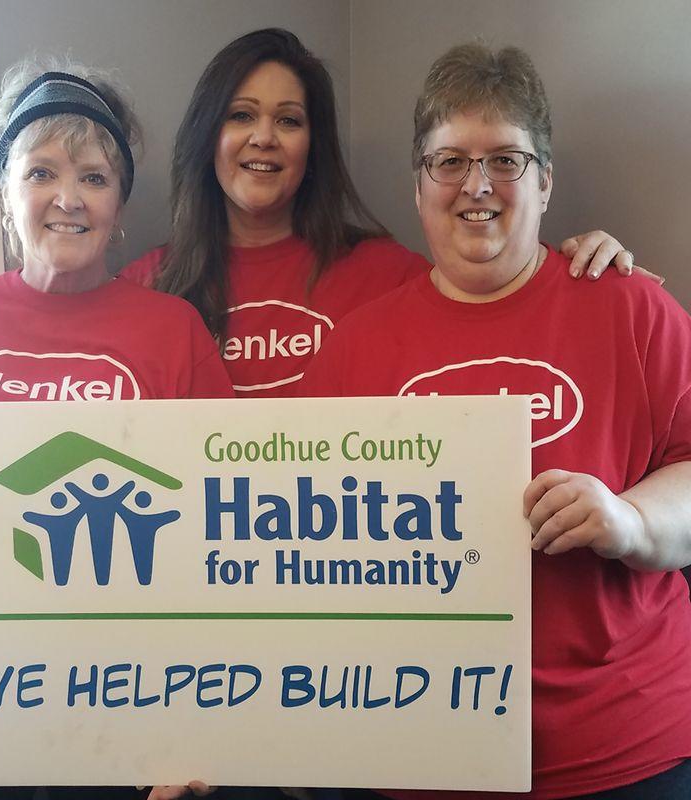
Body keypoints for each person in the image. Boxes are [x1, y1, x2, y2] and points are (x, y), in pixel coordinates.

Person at [302, 42, 691, 799]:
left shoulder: (634, 308)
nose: (476, 185)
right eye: (449, 161)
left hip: (623, 747)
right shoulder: (354, 349)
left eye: (506, 160)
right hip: (419, 752)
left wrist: (630, 521)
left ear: (545, 183)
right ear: (419, 187)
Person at [0, 29, 645, 401]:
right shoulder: (151, 288)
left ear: (312, 144)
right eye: (241, 115)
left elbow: (487, 314)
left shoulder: (388, 273)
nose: (264, 137)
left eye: (289, 119)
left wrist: (575, 259)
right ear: (209, 137)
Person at [0, 58, 232, 800]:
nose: (66, 199)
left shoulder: (173, 333)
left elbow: (224, 519)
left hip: (123, 679)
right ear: (7, 193)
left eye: (94, 178)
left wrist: (197, 721)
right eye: (40, 172)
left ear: (118, 205)